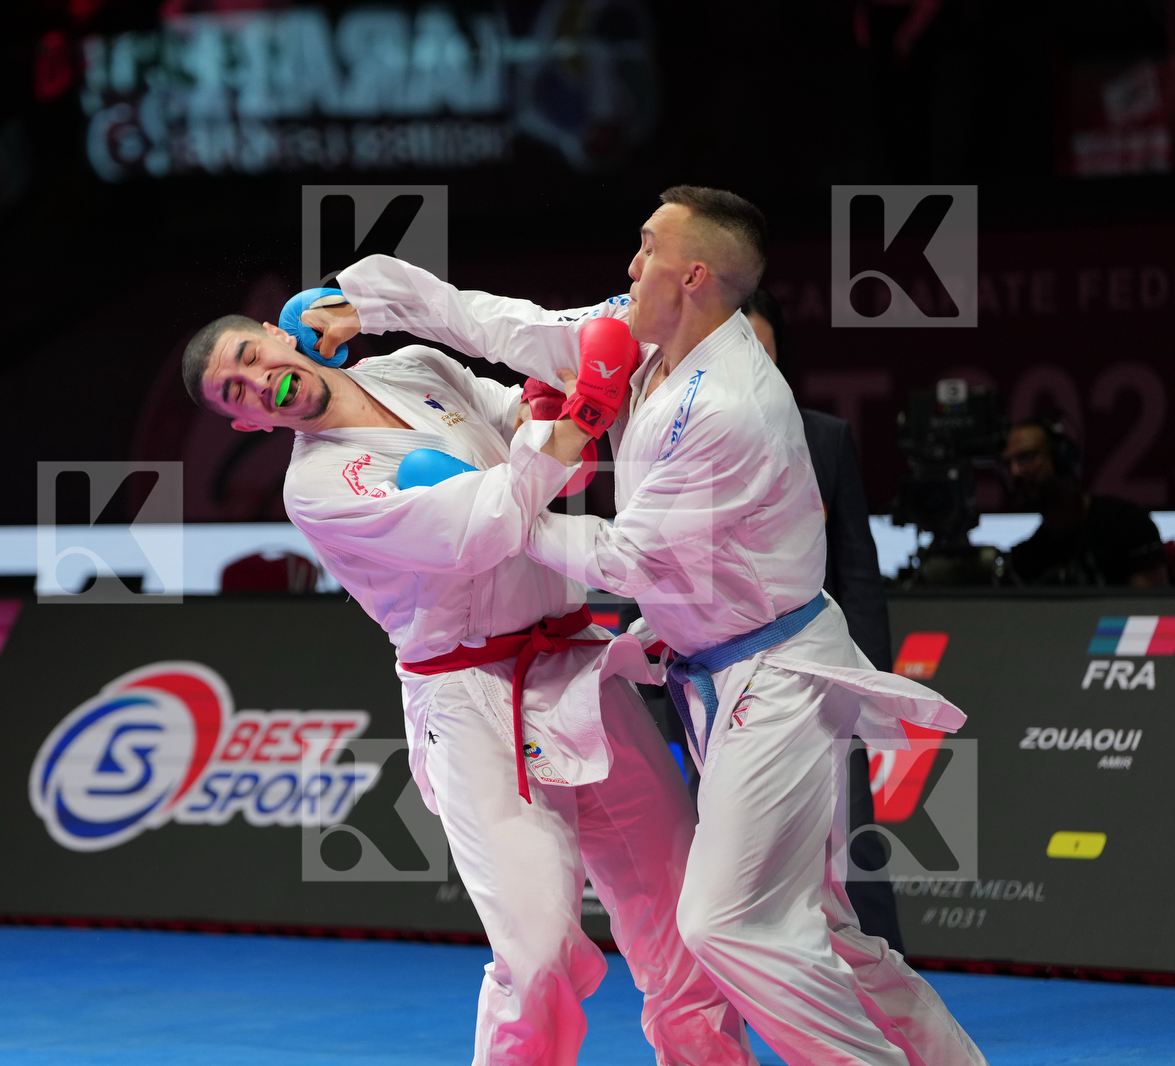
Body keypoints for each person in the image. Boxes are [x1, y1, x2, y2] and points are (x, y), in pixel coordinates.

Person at [304, 185, 986, 1066]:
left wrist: (503, 498)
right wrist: (375, 299)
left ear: (693, 273)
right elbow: (513, 327)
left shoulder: (723, 406)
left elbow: (631, 561)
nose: (629, 267)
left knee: (725, 927)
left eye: (646, 248)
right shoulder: (645, 334)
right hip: (710, 670)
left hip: (771, 679)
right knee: (820, 929)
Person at [183, 314, 756, 1065]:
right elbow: (481, 527)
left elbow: (517, 421)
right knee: (538, 951)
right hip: (469, 694)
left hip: (573, 662)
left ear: (277, 334)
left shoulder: (417, 368)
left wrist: (550, 413)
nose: (259, 380)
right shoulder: (319, 489)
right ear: (247, 422)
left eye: (250, 357)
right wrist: (576, 423)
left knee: (678, 916)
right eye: (239, 391)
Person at [743, 287, 905, 954]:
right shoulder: (668, 445)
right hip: (724, 693)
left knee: (851, 854)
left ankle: (890, 997)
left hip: (819, 679)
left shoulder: (826, 439)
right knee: (732, 869)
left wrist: (867, 682)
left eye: (759, 347)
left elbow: (858, 577)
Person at [1002, 420, 1167, 587]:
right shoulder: (1025, 559)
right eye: (1009, 464)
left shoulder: (1127, 524)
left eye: (1027, 458)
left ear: (1063, 459)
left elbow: (1149, 610)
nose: (1015, 473)